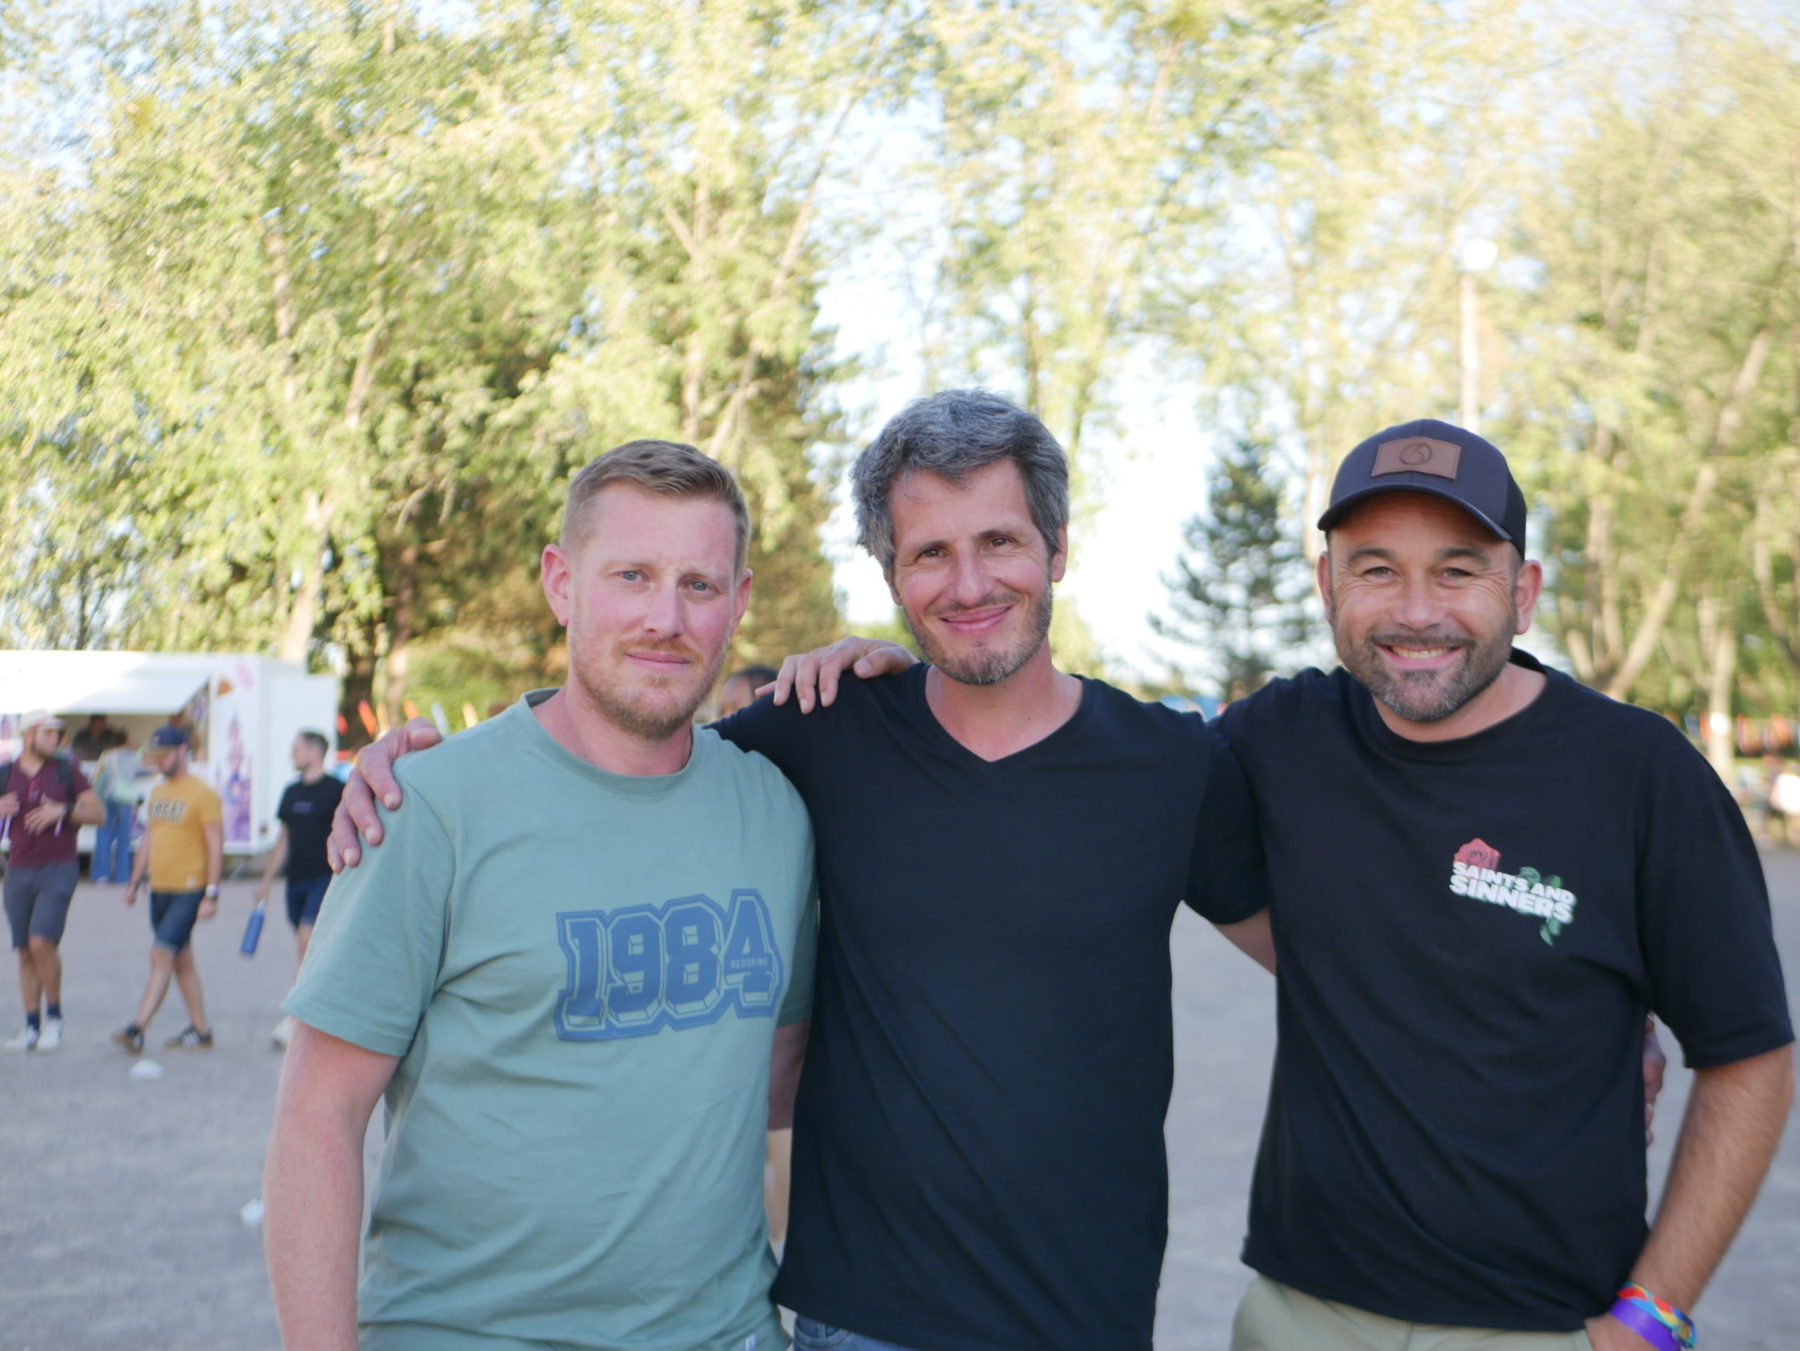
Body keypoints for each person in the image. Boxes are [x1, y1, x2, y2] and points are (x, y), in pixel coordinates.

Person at [771, 418, 1795, 1351]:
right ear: (1327, 585)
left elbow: (1749, 1053)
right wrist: (871, 672)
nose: (1416, 610)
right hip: (1298, 1312)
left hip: (1546, 1323)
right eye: (1377, 569)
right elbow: (1056, 761)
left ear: (1521, 591)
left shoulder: (1641, 773)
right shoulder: (1276, 740)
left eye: (1458, 571)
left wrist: (1651, 1317)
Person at [332, 390, 1276, 1351]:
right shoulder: (819, 735)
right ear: (891, 574)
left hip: (1085, 1320)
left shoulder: (1171, 764)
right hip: (857, 1323)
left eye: (999, 541)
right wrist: (418, 766)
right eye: (929, 554)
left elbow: (1327, 955)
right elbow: (629, 738)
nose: (969, 583)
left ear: (1057, 547)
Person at [263, 440, 817, 1351]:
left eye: (700, 585)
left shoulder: (777, 811)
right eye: (630, 575)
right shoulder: (427, 806)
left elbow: (779, 1079)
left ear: (740, 602)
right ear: (561, 582)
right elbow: (319, 1111)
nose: (664, 618)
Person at [114, 724, 224, 1053]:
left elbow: (216, 845)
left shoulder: (203, 794)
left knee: (161, 952)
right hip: (160, 889)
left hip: (189, 888)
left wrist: (212, 892)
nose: (159, 762)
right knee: (181, 959)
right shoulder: (157, 792)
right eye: (155, 756)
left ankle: (137, 1027)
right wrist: (135, 881)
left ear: (181, 752)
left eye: (164, 755)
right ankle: (201, 1031)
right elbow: (148, 839)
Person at [2, 709, 104, 1051]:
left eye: (57, 734)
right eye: (48, 733)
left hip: (58, 867)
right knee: (24, 952)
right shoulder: (5, 774)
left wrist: (63, 810)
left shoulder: (66, 770)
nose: (55, 739)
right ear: (28, 735)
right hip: (17, 869)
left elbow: (98, 813)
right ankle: (31, 1027)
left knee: (41, 942)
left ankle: (55, 1019)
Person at [253, 729, 344, 1048]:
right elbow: (283, 840)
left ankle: (297, 1019)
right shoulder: (291, 792)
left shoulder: (337, 790)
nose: (292, 755)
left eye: (297, 749)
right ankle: (325, 1008)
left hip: (326, 878)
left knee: (307, 940)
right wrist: (265, 882)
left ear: (315, 753)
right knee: (309, 947)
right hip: (296, 880)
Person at [91, 730, 142, 883]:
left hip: (108, 795)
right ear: (126, 741)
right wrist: (134, 747)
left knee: (104, 834)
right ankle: (123, 875)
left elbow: (98, 774)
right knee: (124, 837)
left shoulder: (107, 755)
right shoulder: (134, 757)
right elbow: (145, 763)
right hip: (125, 798)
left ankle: (101, 874)